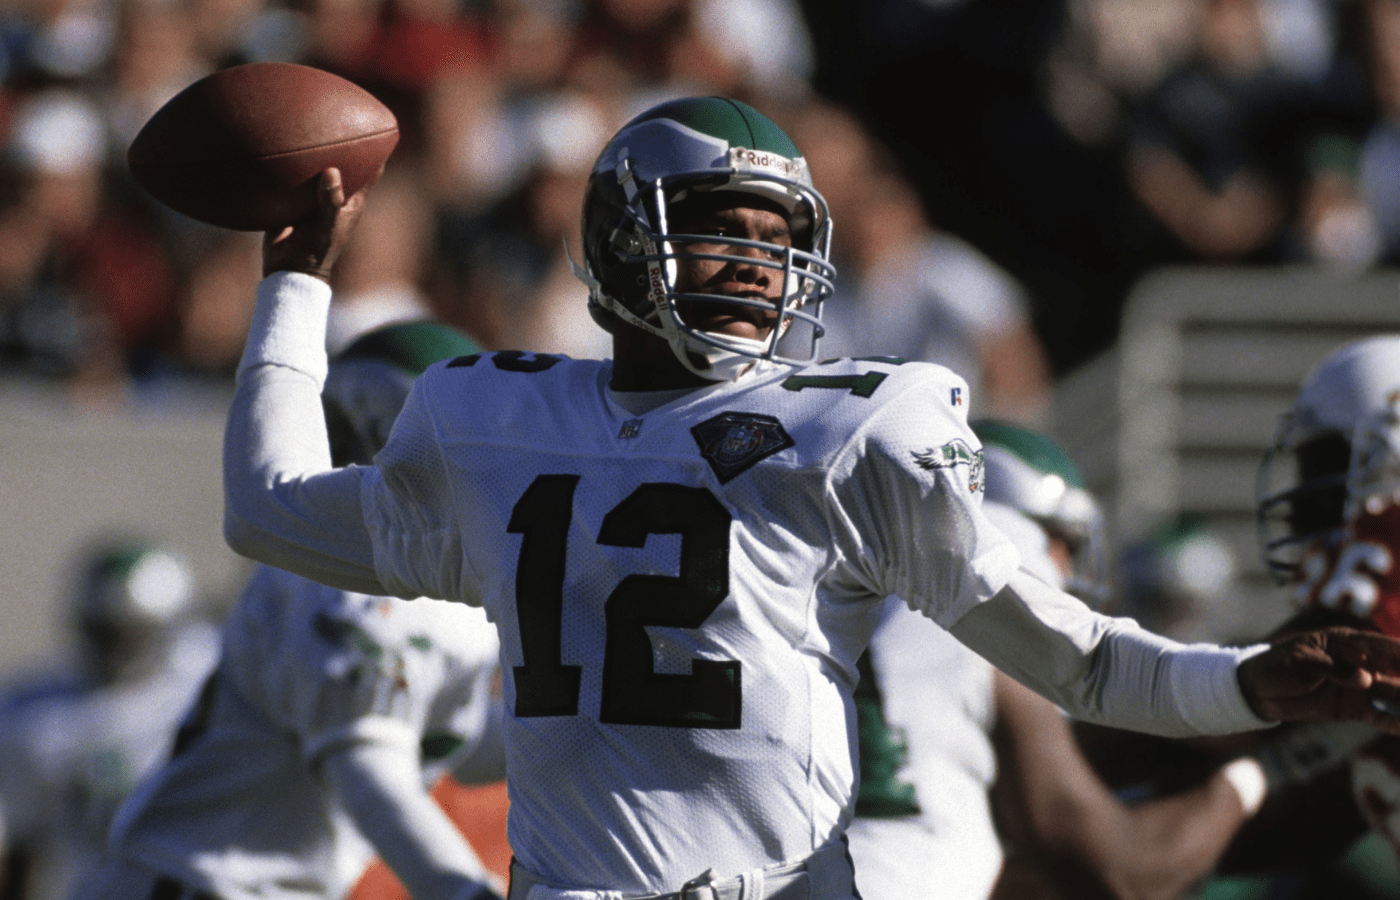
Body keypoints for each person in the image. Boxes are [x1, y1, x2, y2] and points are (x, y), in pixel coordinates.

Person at [222, 96, 1400, 900]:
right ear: (620, 239)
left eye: (774, 232)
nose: (754, 258)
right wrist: (294, 284)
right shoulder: (491, 422)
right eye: (717, 227)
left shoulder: (852, 426)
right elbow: (269, 507)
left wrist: (1245, 683)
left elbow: (1075, 659)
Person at [74, 321, 507, 900]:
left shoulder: (435, 587)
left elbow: (456, 744)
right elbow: (370, 770)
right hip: (198, 885)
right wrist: (467, 892)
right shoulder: (344, 580)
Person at [847, 419, 1266, 900]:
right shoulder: (981, 624)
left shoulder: (862, 596)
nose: (1066, 568)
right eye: (1062, 542)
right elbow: (1123, 869)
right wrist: (1257, 777)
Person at [0, 538, 218, 900]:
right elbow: (15, 843)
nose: (117, 647)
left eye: (131, 633)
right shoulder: (35, 718)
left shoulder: (217, 683)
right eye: (105, 631)